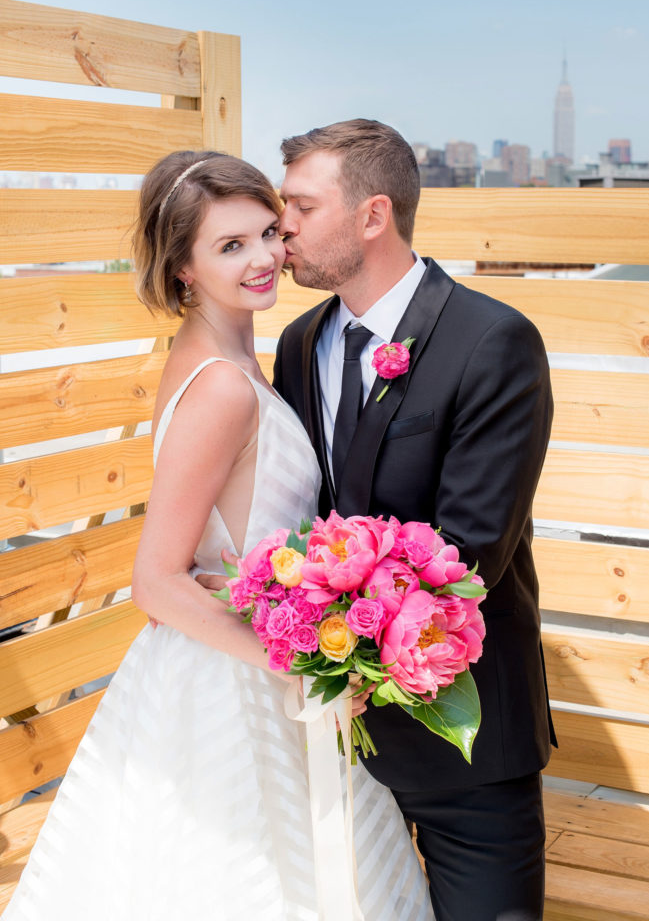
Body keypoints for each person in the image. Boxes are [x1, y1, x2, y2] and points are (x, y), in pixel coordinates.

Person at [4, 150, 433, 921]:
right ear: (183, 272)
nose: (266, 258)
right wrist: (307, 664)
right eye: (230, 247)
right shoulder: (225, 388)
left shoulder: (229, 355)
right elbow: (156, 580)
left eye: (269, 232)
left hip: (232, 644)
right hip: (235, 678)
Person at [271, 119, 556, 921]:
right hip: (337, 744)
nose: (280, 224)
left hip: (465, 741)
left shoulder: (492, 341)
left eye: (299, 204)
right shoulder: (299, 344)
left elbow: (472, 552)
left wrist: (356, 662)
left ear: (373, 216)